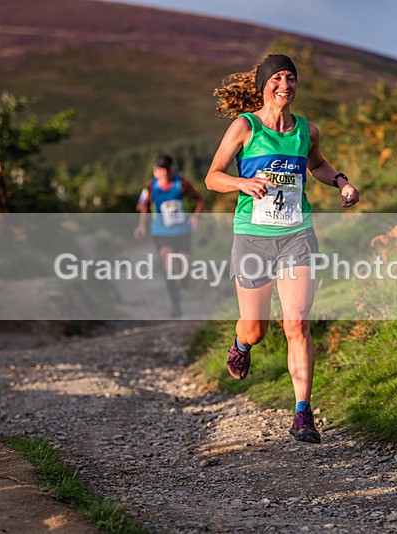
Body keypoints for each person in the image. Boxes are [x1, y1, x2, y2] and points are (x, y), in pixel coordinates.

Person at [205, 54, 360, 443]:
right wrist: (242, 184)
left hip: (296, 235)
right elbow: (212, 177)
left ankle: (302, 413)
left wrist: (341, 182)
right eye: (276, 78)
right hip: (253, 236)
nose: (284, 84)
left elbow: (318, 165)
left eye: (290, 78)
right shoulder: (245, 126)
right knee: (256, 329)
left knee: (296, 322)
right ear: (263, 85)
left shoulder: (307, 129)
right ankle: (241, 344)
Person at [135, 155, 205, 318]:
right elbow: (144, 206)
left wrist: (196, 217)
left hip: (181, 231)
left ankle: (182, 283)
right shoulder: (151, 186)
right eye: (160, 169)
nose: (163, 172)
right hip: (161, 232)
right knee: (167, 261)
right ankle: (175, 304)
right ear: (156, 171)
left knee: (184, 265)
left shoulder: (181, 183)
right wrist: (141, 225)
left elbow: (200, 198)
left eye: (166, 169)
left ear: (171, 169)